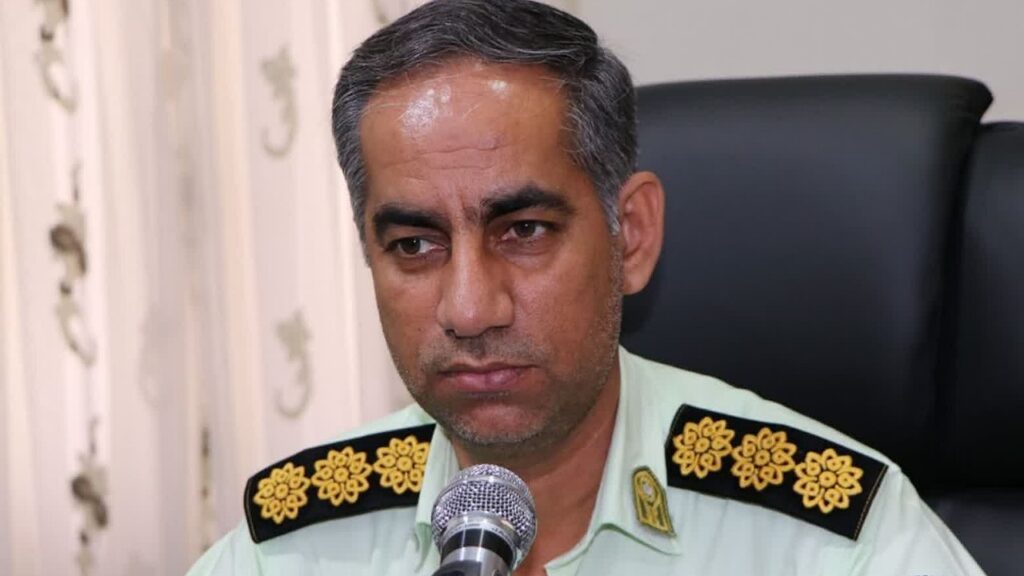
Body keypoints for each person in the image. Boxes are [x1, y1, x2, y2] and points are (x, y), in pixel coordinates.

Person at [187, 1, 987, 574]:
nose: (469, 309)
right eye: (415, 245)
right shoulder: (288, 546)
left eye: (524, 231)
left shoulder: (833, 535)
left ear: (629, 235)